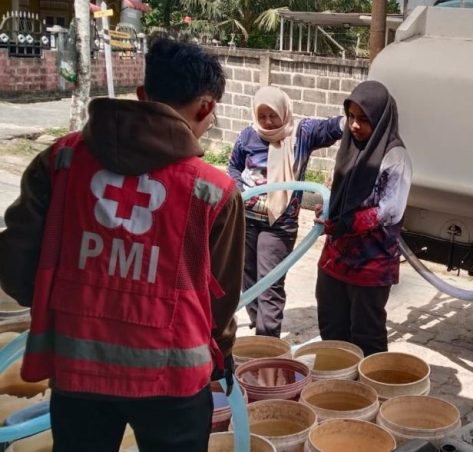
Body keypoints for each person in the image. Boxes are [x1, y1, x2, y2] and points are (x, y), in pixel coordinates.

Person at [0, 38, 244, 452]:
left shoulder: (60, 162)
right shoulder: (213, 191)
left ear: (143, 95)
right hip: (173, 383)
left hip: (77, 370)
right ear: (206, 107)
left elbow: (16, 268)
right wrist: (221, 355)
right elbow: (219, 301)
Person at [227, 86, 344, 338]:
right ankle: (261, 331)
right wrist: (243, 190)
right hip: (246, 219)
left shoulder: (301, 134)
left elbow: (331, 128)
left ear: (284, 111)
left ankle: (267, 344)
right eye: (262, 116)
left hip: (279, 225)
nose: (268, 122)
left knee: (269, 283)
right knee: (248, 281)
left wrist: (351, 120)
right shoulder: (248, 135)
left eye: (273, 115)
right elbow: (233, 167)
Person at [315, 80, 412, 357]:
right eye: (351, 117)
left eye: (363, 119)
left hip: (371, 262)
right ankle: (337, 389)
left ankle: (372, 394)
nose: (354, 125)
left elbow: (389, 210)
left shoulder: (395, 157)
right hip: (336, 257)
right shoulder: (351, 147)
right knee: (332, 326)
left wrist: (345, 223)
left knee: (366, 335)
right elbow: (340, 193)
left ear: (380, 119)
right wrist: (328, 213)